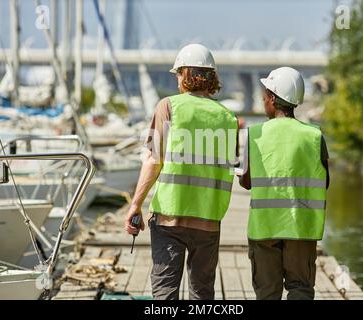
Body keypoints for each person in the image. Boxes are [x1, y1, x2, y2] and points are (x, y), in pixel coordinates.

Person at [125, 43, 238, 300]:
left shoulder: (169, 106)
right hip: (209, 218)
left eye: (178, 73)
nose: (177, 79)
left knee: (165, 294)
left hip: (169, 217)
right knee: (202, 294)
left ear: (186, 74)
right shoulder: (228, 117)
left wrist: (135, 205)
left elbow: (154, 159)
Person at [239, 67, 330, 300]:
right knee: (300, 288)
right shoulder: (314, 135)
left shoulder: (255, 133)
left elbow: (247, 182)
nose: (262, 101)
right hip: (301, 227)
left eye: (264, 97)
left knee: (267, 293)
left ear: (272, 98)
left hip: (264, 229)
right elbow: (325, 181)